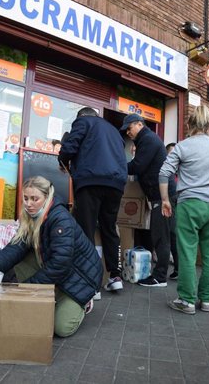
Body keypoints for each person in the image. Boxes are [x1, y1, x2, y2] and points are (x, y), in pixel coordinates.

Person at [0, 176, 103, 337]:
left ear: (46, 197)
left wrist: (29, 288)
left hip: (81, 278)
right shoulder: (33, 215)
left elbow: (60, 265)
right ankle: (55, 292)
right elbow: (16, 246)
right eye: (26, 198)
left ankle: (84, 301)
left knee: (61, 328)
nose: (28, 204)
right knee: (18, 259)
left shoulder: (60, 220)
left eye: (34, 199)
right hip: (57, 267)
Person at [159, 105, 209, 314]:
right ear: (207, 125)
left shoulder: (182, 146)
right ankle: (207, 300)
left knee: (187, 252)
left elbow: (164, 173)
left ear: (189, 124)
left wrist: (165, 200)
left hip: (190, 204)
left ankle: (187, 300)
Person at [58, 107, 127, 294]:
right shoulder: (113, 130)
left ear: (82, 116)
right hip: (116, 184)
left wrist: (62, 160)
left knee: (86, 229)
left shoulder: (83, 122)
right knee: (110, 228)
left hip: (91, 181)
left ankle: (90, 282)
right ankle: (115, 275)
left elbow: (70, 146)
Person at [122, 113, 171, 287]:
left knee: (160, 236)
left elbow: (138, 166)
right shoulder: (145, 140)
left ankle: (160, 277)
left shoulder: (148, 139)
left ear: (139, 124)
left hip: (162, 196)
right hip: (158, 195)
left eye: (129, 128)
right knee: (160, 234)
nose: (128, 132)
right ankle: (161, 271)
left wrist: (116, 166)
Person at [166, 142, 179, 280]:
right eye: (171, 152)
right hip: (171, 202)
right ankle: (178, 268)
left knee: (175, 235)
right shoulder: (167, 169)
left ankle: (179, 269)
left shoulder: (182, 168)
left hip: (184, 203)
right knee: (173, 234)